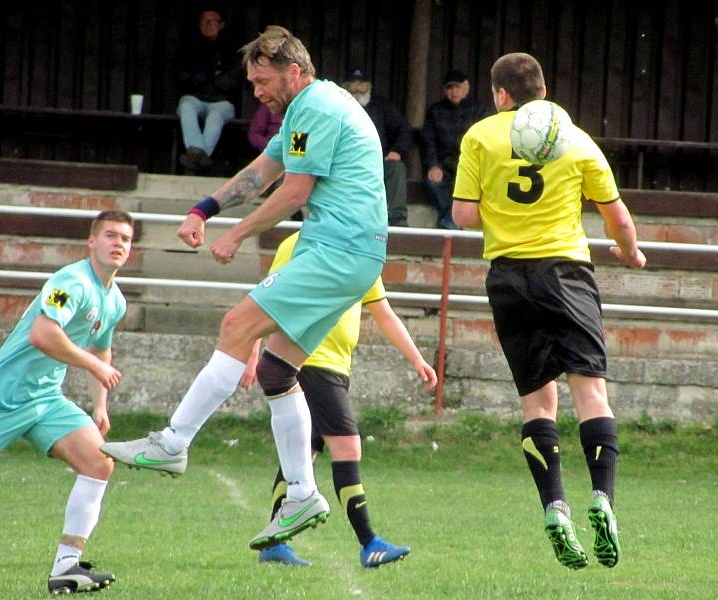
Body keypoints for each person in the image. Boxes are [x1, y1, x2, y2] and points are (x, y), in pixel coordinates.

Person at [100, 25, 388, 554]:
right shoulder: (309, 108)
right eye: (252, 82)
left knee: (235, 325)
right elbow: (264, 170)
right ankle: (301, 493)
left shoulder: (317, 106)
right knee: (278, 369)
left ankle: (174, 442)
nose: (256, 92)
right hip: (347, 252)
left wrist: (235, 233)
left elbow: (295, 191)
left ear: (294, 72)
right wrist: (204, 208)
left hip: (339, 250)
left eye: (262, 80)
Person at [452, 53, 647, 570]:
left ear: (500, 95)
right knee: (591, 392)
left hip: (509, 277)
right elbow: (618, 219)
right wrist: (631, 253)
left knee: (538, 406)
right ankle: (603, 499)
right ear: (542, 88)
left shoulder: (480, 136)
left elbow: (464, 215)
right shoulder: (579, 139)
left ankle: (555, 508)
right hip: (567, 272)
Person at [243, 231, 436, 567]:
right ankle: (369, 543)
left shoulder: (363, 250)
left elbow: (383, 312)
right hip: (310, 362)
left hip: (336, 369)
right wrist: (252, 351)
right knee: (347, 447)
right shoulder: (298, 243)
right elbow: (266, 299)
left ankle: (274, 543)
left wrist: (416, 358)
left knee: (302, 456)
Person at [0, 211, 134, 594]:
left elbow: (101, 349)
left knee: (98, 461)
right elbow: (44, 334)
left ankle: (66, 566)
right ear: (92, 242)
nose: (118, 243)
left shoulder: (115, 301)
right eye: (110, 235)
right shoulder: (69, 282)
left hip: (44, 399)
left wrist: (100, 406)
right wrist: (92, 364)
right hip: (5, 392)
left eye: (125, 238)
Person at [341, 68, 412, 227]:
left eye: (362, 83)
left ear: (369, 86)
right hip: (344, 163)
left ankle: (397, 218)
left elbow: (404, 129)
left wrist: (397, 150)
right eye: (353, 83)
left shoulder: (382, 105)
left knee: (397, 167)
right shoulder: (337, 106)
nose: (358, 88)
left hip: (378, 163)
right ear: (346, 86)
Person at [175, 8, 242, 174]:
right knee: (186, 106)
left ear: (222, 25)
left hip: (222, 101)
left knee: (215, 116)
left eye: (213, 21)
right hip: (195, 98)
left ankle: (193, 160)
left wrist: (202, 78)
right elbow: (182, 77)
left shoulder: (231, 49)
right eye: (205, 21)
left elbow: (232, 81)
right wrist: (211, 75)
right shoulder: (188, 48)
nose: (208, 24)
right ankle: (199, 156)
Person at [420, 69, 489, 229]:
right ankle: (451, 219)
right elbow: (428, 141)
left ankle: (450, 222)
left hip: (472, 166)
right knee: (433, 182)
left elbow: (487, 141)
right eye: (450, 88)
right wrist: (433, 165)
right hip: (445, 165)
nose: (454, 92)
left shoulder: (479, 110)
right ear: (445, 91)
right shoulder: (435, 111)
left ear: (466, 89)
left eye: (458, 87)